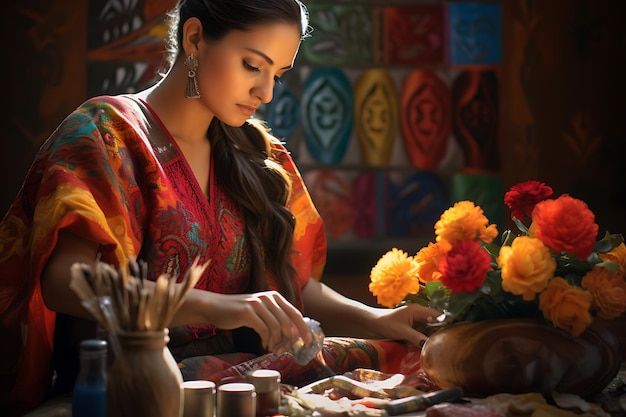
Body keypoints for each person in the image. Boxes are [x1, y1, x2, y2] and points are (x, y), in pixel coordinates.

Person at [0, 0, 440, 415]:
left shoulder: (261, 155)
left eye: (278, 75)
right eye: (253, 65)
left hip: (245, 372)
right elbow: (63, 283)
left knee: (418, 363)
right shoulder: (105, 136)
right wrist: (218, 307)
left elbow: (293, 284)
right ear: (194, 39)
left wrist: (378, 318)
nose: (265, 92)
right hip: (143, 376)